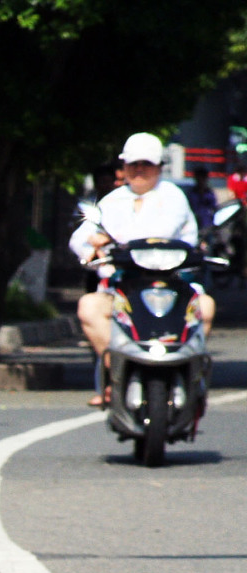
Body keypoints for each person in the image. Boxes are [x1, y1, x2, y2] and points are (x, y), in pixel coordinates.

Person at [69, 132, 215, 407]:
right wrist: (92, 244)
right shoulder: (111, 202)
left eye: (146, 164)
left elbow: (157, 233)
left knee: (205, 307)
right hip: (124, 286)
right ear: (122, 168)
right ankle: (116, 374)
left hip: (172, 286)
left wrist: (111, 239)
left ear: (159, 167)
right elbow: (81, 236)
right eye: (132, 165)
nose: (139, 171)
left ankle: (189, 376)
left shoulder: (173, 197)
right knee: (89, 307)